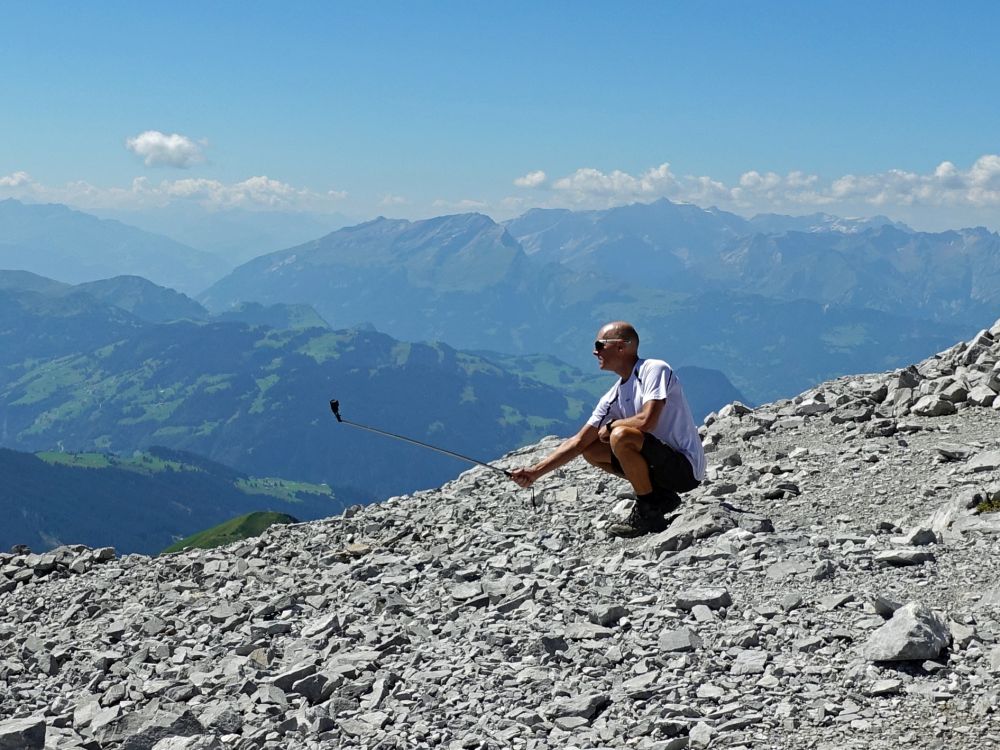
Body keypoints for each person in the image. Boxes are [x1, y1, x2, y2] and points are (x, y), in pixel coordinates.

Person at [511, 321, 706, 537]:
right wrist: (535, 472)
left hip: (686, 468)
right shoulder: (613, 397)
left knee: (620, 436)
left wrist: (613, 426)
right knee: (592, 450)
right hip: (662, 466)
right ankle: (659, 496)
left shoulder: (654, 369)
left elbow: (647, 421)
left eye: (600, 345)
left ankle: (648, 511)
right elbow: (579, 442)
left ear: (622, 346)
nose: (595, 352)